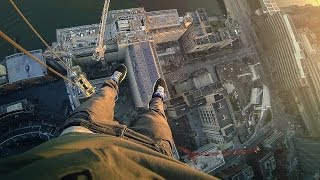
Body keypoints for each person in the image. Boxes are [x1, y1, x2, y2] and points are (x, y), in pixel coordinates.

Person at [0, 64, 217, 179]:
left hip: (82, 136)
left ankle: (113, 82)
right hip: (151, 156)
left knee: (102, 97)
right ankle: (158, 96)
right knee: (158, 114)